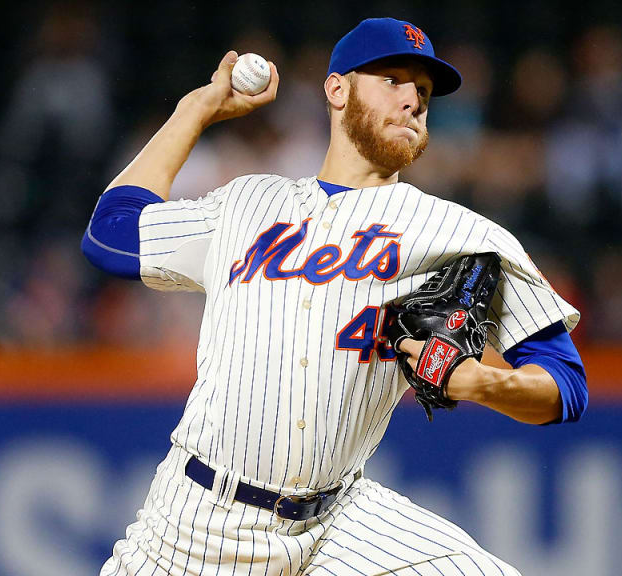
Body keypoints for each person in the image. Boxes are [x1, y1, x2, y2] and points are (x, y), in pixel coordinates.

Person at [82, 17, 587, 576]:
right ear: (337, 89)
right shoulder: (246, 203)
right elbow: (110, 236)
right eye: (392, 80)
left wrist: (486, 382)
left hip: (339, 521)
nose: (413, 101)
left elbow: (566, 385)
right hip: (196, 520)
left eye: (422, 91)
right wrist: (195, 111)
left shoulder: (458, 234)